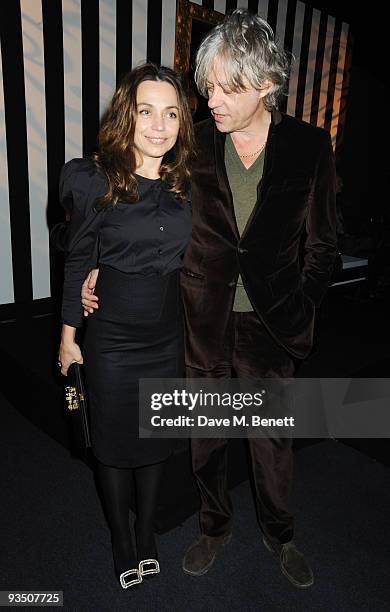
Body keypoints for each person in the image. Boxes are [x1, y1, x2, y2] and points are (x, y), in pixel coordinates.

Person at [81, 10, 337, 588]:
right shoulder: (192, 144)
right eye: (208, 87)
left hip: (272, 324)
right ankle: (214, 528)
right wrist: (99, 263)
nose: (212, 100)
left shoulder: (309, 147)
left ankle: (280, 534)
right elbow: (136, 200)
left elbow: (324, 246)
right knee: (207, 439)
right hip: (200, 321)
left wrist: (305, 301)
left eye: (228, 87)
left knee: (272, 442)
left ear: (266, 84)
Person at [57, 63, 193, 589]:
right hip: (111, 338)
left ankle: (147, 534)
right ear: (126, 116)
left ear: (182, 122)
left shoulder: (187, 185)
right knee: (114, 447)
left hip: (165, 337)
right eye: (146, 111)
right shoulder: (97, 179)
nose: (158, 126)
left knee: (154, 441)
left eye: (171, 113)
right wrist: (69, 339)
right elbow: (77, 261)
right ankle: (120, 537)